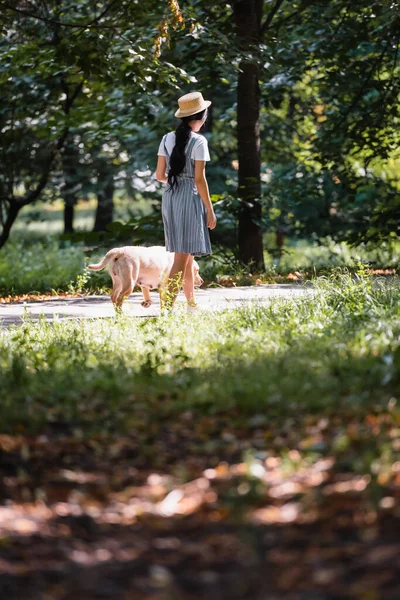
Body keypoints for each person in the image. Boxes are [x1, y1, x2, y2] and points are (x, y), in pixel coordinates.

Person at [155, 91, 217, 311]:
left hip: (171, 196)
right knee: (181, 258)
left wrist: (176, 177)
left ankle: (191, 304)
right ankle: (166, 308)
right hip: (189, 196)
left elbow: (159, 176)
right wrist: (210, 209)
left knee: (187, 255)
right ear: (201, 117)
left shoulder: (166, 139)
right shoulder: (199, 141)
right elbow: (200, 179)